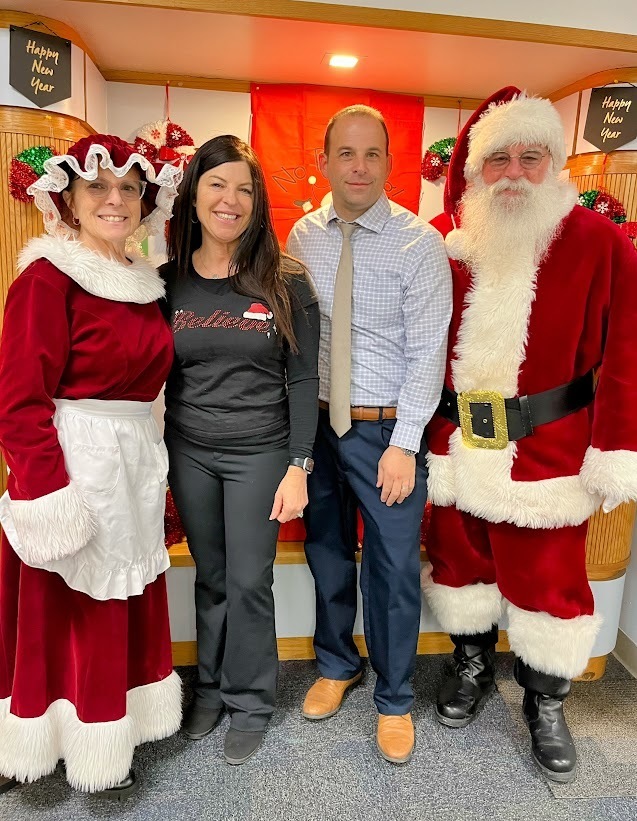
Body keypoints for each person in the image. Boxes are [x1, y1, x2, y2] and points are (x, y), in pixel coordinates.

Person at [423, 86, 637, 783]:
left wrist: (615, 448)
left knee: (548, 583)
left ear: (554, 165)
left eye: (530, 157)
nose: (513, 172)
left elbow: (625, 357)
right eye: (498, 159)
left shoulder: (599, 242)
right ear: (473, 170)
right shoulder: (444, 243)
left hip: (547, 454)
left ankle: (545, 698)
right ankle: (472, 662)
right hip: (454, 446)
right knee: (458, 567)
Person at [0, 135, 183, 797]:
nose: (115, 200)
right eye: (98, 187)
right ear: (69, 201)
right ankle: (44, 741)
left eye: (128, 188)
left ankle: (112, 729)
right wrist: (46, 493)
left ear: (144, 202)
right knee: (67, 607)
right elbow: (18, 400)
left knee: (118, 598)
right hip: (73, 465)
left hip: (133, 463)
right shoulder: (46, 278)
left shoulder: (144, 281)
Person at [287, 105, 452, 764]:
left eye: (372, 154)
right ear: (323, 162)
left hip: (385, 430)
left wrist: (404, 443)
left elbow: (426, 351)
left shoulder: (418, 244)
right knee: (327, 551)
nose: (358, 167)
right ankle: (336, 662)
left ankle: (393, 696)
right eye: (345, 154)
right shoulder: (302, 235)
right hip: (317, 427)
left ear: (389, 162)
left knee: (390, 569)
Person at [161, 135, 319, 765]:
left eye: (245, 189)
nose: (231, 200)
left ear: (257, 204)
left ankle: (252, 699)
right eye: (217, 184)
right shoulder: (166, 282)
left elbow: (304, 378)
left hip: (261, 451)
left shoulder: (286, 281)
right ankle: (211, 692)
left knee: (250, 581)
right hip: (190, 449)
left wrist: (298, 465)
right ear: (194, 194)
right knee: (213, 576)